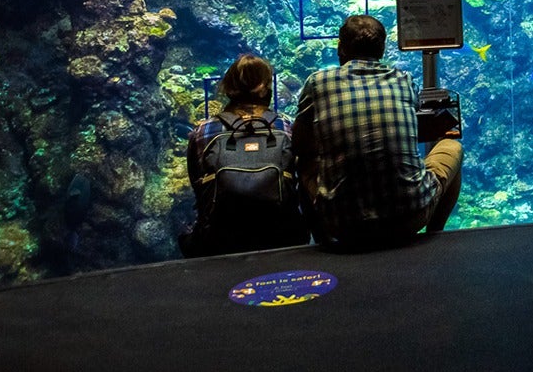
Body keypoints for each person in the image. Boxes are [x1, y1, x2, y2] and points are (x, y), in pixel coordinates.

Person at [293, 15, 462, 247]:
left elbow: (299, 144)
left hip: (342, 224)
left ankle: (322, 243)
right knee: (452, 146)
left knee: (304, 162)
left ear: (340, 48)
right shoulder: (404, 80)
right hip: (409, 216)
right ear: (382, 49)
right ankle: (433, 237)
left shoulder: (317, 82)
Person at [180, 55, 309, 257]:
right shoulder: (283, 127)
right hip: (281, 236)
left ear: (228, 88)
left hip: (219, 241)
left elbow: (199, 188)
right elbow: (298, 180)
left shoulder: (203, 131)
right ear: (266, 88)